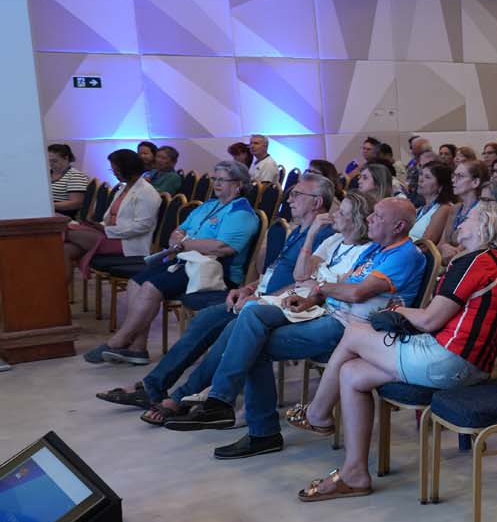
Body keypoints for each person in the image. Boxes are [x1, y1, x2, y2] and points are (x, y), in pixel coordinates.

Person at [287, 201, 497, 494]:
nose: (461, 221)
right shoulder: (486, 260)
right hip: (458, 359)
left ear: (484, 226)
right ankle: (355, 473)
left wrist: (398, 311)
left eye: (469, 218)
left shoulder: (477, 262)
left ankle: (318, 414)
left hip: (452, 360)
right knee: (352, 373)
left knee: (355, 333)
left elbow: (429, 319)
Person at [155, 197, 423, 451]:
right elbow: (338, 284)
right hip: (328, 311)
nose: (370, 218)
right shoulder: (377, 248)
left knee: (254, 345)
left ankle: (255, 428)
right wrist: (311, 298)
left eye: (378, 216)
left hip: (351, 329)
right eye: (372, 213)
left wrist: (319, 287)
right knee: (251, 315)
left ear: (398, 226)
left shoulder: (404, 254)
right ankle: (222, 402)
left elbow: (356, 293)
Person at [98, 175, 342, 420]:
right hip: (261, 297)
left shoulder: (323, 235)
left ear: (317, 202)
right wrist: (247, 289)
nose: (289, 199)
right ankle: (153, 387)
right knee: (205, 318)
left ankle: (183, 396)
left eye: (297, 194)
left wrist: (262, 299)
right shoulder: (298, 229)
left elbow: (305, 282)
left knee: (231, 329)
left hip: (281, 306)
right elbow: (272, 272)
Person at [84, 161, 259, 367]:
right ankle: (137, 348)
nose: (216, 183)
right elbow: (180, 229)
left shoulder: (242, 213)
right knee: (135, 283)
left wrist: (183, 244)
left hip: (215, 270)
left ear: (238, 184)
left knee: (150, 287)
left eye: (222, 180)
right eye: (215, 179)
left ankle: (118, 342)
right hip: (186, 261)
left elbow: (222, 247)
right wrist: (178, 238)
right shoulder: (209, 205)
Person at [65, 148, 160, 278]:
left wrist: (107, 230)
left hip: (128, 243)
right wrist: (99, 226)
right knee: (65, 249)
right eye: (113, 170)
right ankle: (59, 291)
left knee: (68, 232)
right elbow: (112, 218)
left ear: (128, 169)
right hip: (110, 235)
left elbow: (142, 226)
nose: (114, 173)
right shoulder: (123, 188)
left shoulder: (146, 192)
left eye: (117, 170)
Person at [438, 160, 490, 260]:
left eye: (460, 176)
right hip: (447, 263)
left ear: (475, 182)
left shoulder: (484, 211)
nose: (453, 180)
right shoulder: (455, 208)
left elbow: (475, 249)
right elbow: (441, 244)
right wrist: (444, 247)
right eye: (454, 176)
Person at [409, 164, 454, 243]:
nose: (420, 180)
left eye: (427, 177)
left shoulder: (444, 208)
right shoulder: (422, 208)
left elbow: (426, 244)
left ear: (440, 186)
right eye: (421, 174)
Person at [47, 144, 90, 217]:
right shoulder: (46, 174)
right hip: (48, 211)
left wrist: (48, 206)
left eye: (54, 161)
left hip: (62, 214)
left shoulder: (75, 176)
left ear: (66, 158)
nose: (50, 164)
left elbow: (76, 203)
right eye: (49, 161)